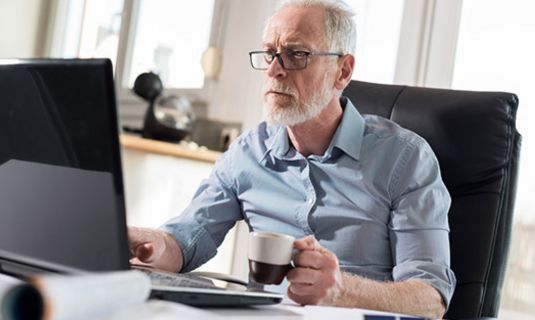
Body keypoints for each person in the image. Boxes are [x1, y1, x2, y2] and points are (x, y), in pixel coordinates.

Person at [129, 0, 455, 318]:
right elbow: (187, 239)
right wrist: (154, 245)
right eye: (270, 53)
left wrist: (342, 291)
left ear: (343, 71)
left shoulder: (406, 158)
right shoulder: (247, 154)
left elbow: (431, 299)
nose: (274, 70)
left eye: (296, 54)